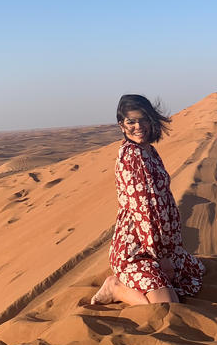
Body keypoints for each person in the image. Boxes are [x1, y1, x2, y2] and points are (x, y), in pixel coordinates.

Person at [88, 94, 205, 305]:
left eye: (142, 119)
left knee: (193, 276)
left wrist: (169, 249)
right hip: (137, 248)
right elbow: (145, 214)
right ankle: (116, 288)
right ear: (122, 125)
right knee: (168, 305)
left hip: (161, 244)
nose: (138, 126)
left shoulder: (149, 151)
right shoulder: (132, 156)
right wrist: (161, 258)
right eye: (131, 121)